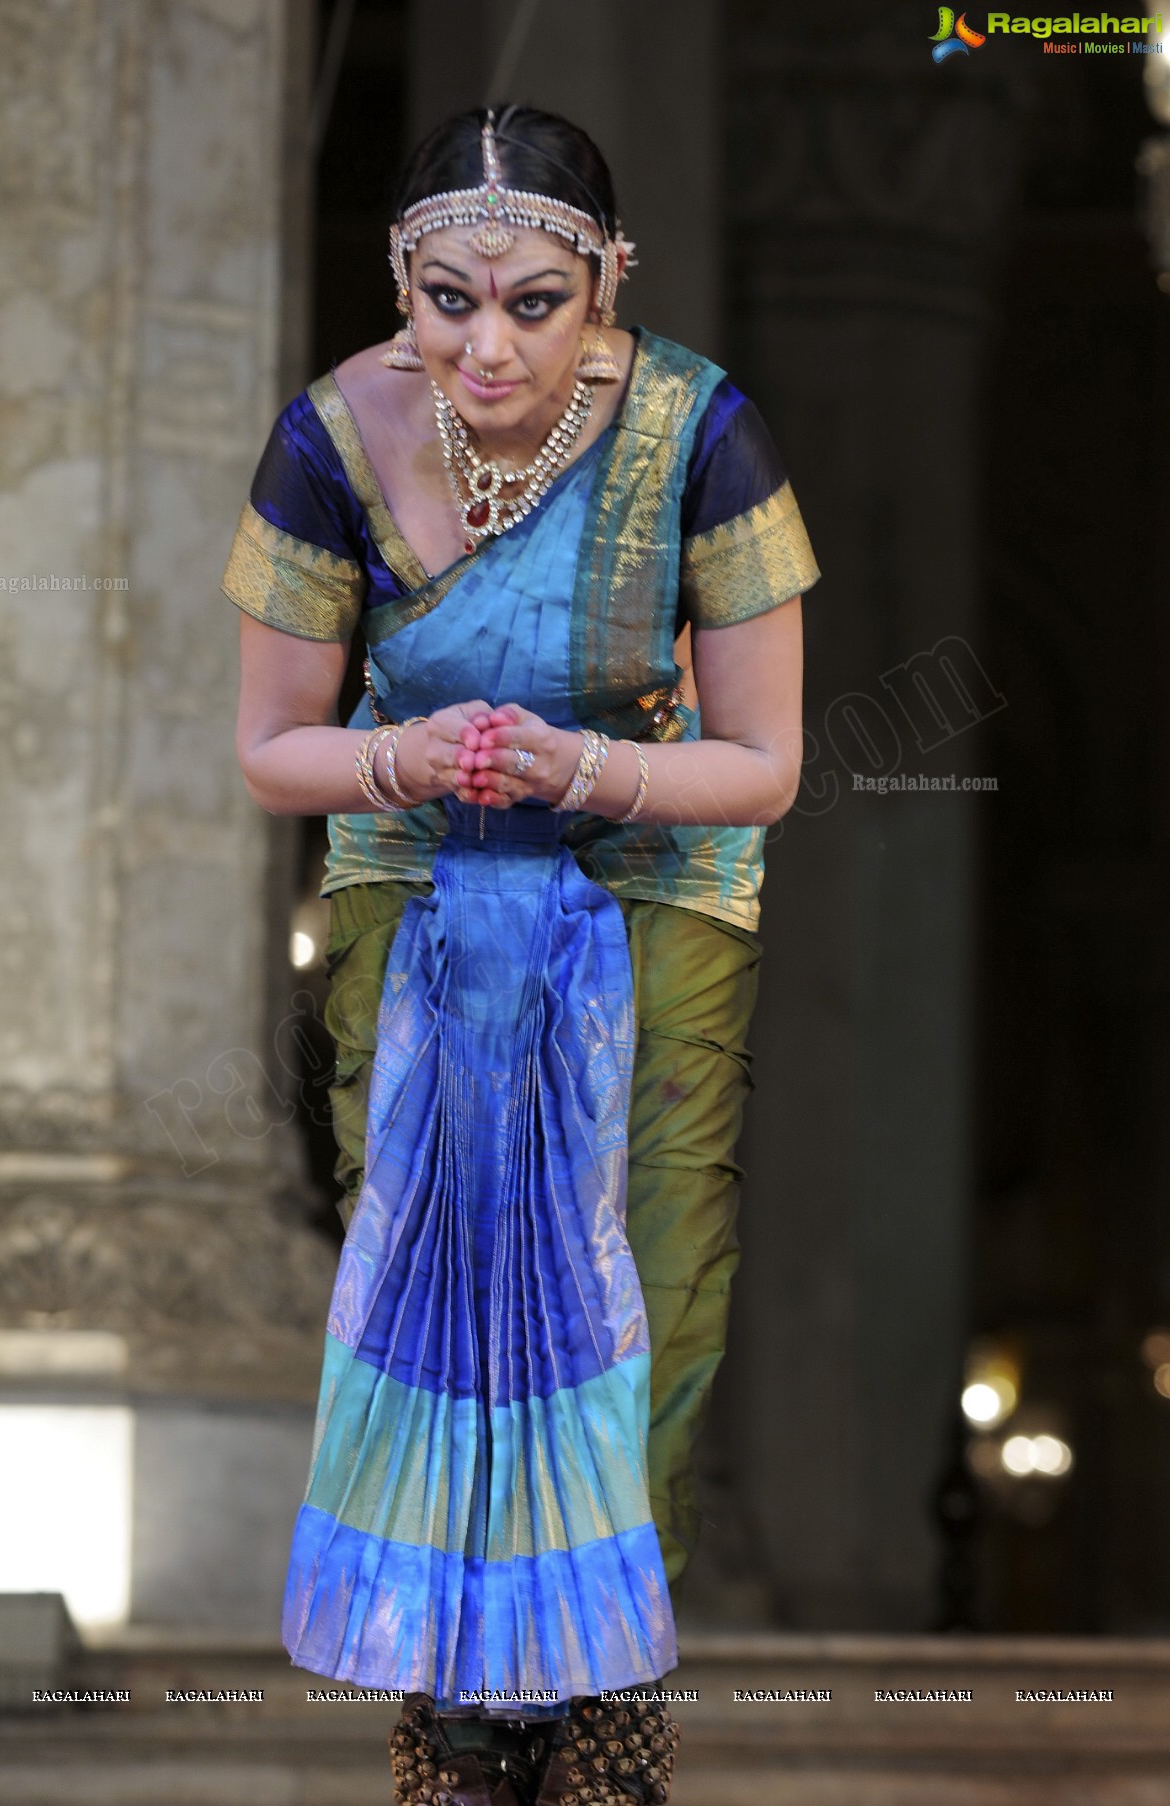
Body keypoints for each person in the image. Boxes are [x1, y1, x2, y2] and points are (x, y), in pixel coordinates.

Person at [225, 103, 818, 1806]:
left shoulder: (704, 430)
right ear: (400, 284)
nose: (488, 343)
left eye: (537, 302)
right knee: (422, 1262)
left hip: (656, 877)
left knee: (644, 1284)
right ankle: (456, 1723)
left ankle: (603, 1713)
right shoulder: (333, 437)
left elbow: (765, 762)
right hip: (420, 881)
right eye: (446, 299)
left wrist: (583, 770)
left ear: (608, 281)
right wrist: (410, 758)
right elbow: (279, 745)